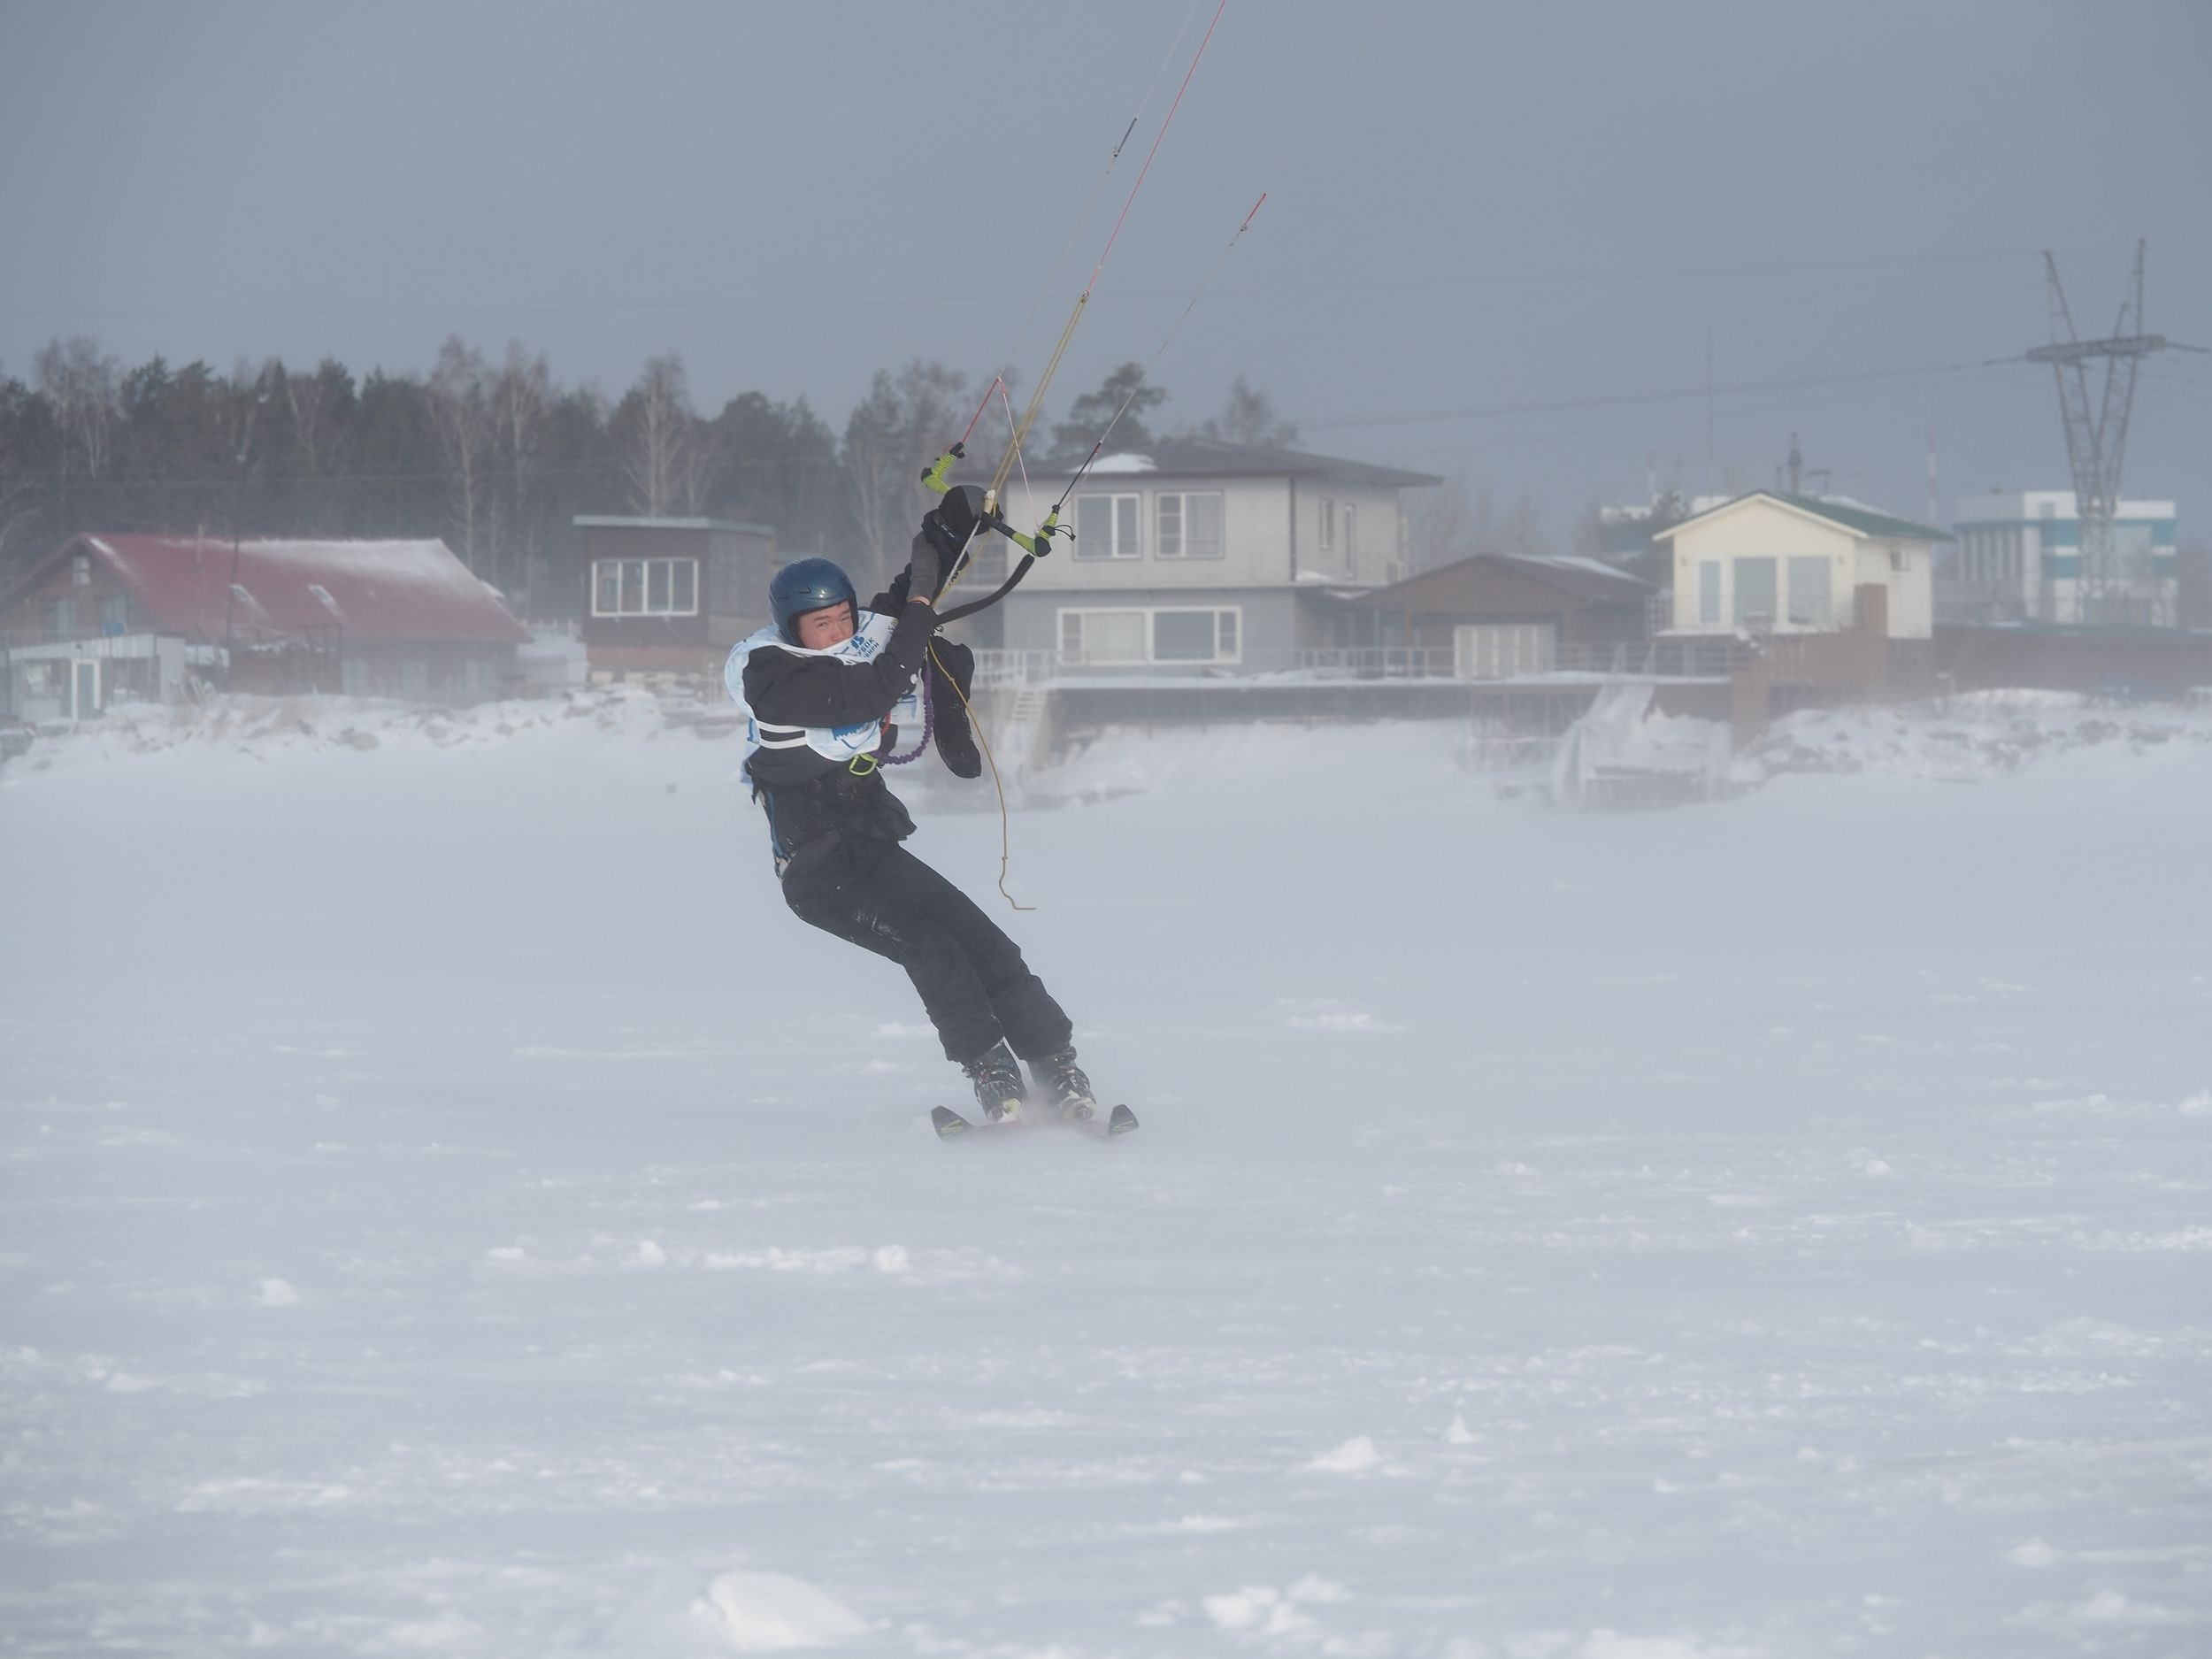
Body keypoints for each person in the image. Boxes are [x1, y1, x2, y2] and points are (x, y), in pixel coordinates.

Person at [726, 488, 1098, 1123]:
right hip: (818, 877)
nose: (841, 630)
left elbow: (897, 606)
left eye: (844, 616)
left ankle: (1056, 1065)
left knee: (987, 943)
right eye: (823, 624)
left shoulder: (850, 646)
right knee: (931, 947)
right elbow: (874, 687)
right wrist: (921, 610)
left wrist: (952, 531)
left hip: (871, 851)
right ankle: (992, 1074)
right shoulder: (772, 676)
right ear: (793, 629)